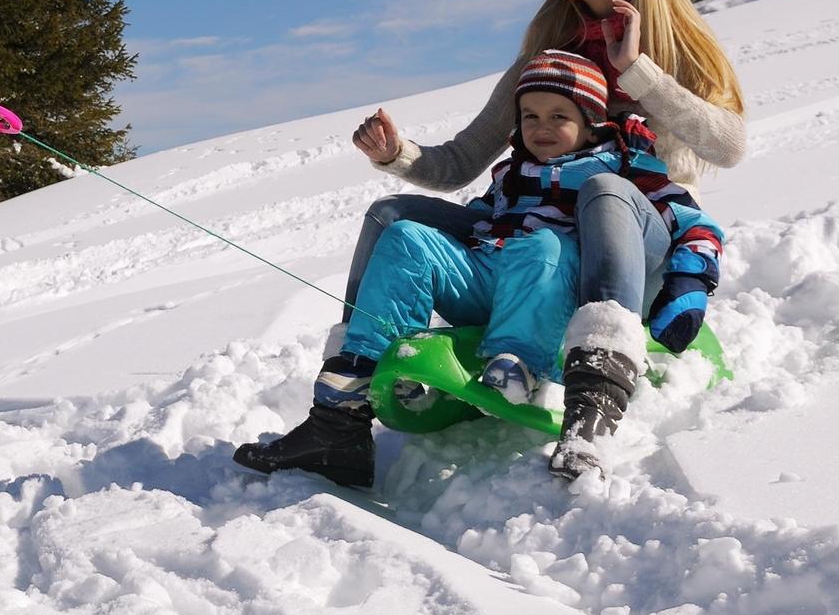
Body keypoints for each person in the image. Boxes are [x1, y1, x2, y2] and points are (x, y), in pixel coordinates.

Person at [323, 0, 747, 460]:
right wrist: (396, 153)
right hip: (532, 256)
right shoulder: (545, 57)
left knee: (605, 189)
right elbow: (462, 162)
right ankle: (340, 412)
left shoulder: (674, 50)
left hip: (632, 253)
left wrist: (636, 72)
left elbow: (728, 145)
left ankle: (600, 375)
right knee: (392, 216)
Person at [234, 50, 726, 486]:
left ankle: (535, 374)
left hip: (572, 285)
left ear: (593, 122)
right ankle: (341, 415)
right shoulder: (511, 172)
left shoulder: (623, 166)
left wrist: (689, 282)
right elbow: (481, 223)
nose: (541, 127)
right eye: (530, 116)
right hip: (497, 278)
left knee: (544, 246)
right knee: (405, 234)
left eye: (559, 116)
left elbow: (694, 223)